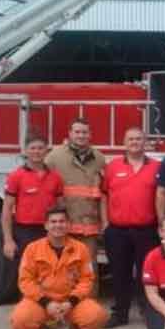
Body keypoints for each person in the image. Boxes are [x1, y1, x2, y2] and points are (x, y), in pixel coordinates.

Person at [9, 207, 109, 329]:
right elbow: (25, 281)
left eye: (62, 221)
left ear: (68, 225)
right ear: (46, 225)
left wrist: (71, 301)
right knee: (20, 319)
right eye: (53, 222)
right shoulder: (32, 249)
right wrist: (46, 303)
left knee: (97, 316)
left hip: (69, 301)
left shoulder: (80, 249)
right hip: (40, 301)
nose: (58, 225)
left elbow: (87, 279)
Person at [101, 127, 161, 328]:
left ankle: (147, 309)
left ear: (145, 142)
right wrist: (105, 224)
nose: (135, 142)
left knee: (147, 272)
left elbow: (161, 196)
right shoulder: (112, 167)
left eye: (138, 139)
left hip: (147, 229)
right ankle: (120, 312)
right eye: (131, 139)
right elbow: (103, 195)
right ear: (124, 143)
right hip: (117, 230)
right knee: (119, 272)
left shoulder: (156, 167)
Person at [44, 118, 107, 287]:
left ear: (90, 135)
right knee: (62, 266)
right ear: (70, 134)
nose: (81, 136)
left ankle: (88, 306)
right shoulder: (54, 157)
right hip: (63, 226)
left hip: (89, 227)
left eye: (84, 132)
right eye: (77, 132)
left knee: (89, 268)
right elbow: (42, 182)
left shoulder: (99, 158)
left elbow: (104, 192)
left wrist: (104, 221)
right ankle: (62, 302)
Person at [1, 133, 63, 262]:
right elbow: (7, 210)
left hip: (49, 231)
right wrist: (8, 240)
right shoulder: (16, 176)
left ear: (47, 150)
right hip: (25, 232)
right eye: (33, 148)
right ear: (26, 150)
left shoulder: (55, 177)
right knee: (26, 273)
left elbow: (60, 207)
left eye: (40, 148)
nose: (37, 152)